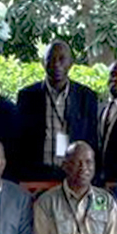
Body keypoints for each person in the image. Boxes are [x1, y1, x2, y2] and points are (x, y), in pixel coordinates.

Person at [15, 40, 100, 182]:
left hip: (74, 175)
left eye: (62, 59)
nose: (56, 64)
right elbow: (20, 140)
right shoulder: (27, 96)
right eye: (51, 59)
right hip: (36, 175)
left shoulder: (86, 97)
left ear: (71, 63)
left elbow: (91, 139)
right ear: (43, 63)